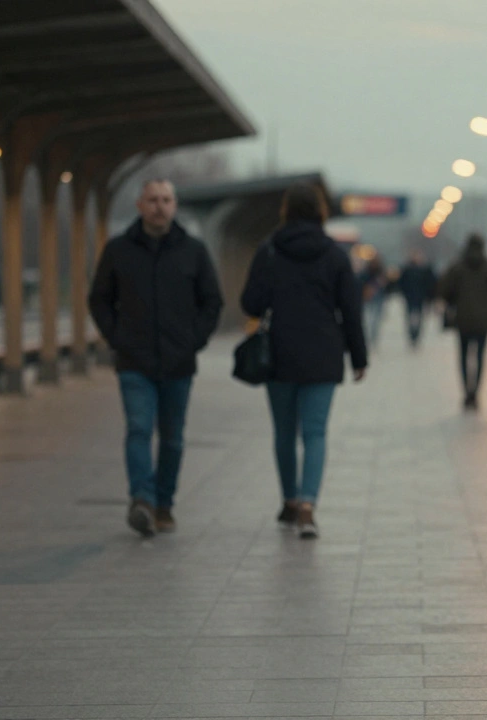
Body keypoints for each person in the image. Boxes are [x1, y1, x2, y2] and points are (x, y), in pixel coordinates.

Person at [89, 178, 224, 538]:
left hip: (178, 362)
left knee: (173, 437)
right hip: (135, 361)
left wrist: (193, 340)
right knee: (138, 429)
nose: (159, 206)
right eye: (152, 200)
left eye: (165, 200)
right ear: (139, 205)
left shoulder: (193, 251)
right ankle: (142, 500)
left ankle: (164, 504)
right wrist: (117, 337)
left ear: (175, 206)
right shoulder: (119, 250)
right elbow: (99, 298)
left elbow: (212, 301)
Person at [239, 184, 368, 539]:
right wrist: (359, 358)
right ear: (322, 212)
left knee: (284, 432)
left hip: (279, 352)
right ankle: (309, 505)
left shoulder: (269, 252)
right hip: (323, 355)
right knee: (314, 432)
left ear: (285, 211)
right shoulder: (336, 256)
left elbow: (251, 303)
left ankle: (290, 499)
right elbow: (351, 312)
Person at [437, 234, 487, 410]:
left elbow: (444, 290)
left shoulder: (457, 268)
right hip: (484, 321)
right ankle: (475, 392)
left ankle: (466, 392)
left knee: (463, 357)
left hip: (463, 320)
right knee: (480, 357)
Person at [398, 250, 438, 347]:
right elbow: (402, 283)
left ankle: (416, 335)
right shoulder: (407, 269)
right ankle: (412, 334)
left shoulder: (425, 270)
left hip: (420, 298)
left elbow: (431, 283)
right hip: (410, 297)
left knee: (419, 318)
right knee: (410, 317)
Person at [357, 256, 388, 347]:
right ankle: (370, 337)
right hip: (369, 298)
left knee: (374, 319)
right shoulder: (367, 273)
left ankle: (372, 337)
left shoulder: (380, 273)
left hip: (378, 298)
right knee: (369, 318)